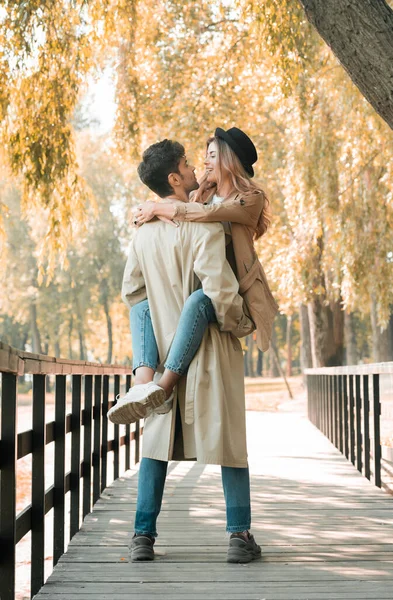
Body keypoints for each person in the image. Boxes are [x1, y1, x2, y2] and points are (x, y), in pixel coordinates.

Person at [118, 138, 261, 563]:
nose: (194, 167)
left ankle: (142, 536)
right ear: (174, 179)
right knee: (229, 439)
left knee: (156, 443)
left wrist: (148, 345)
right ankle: (239, 537)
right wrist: (238, 323)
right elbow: (217, 289)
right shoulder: (202, 227)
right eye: (186, 163)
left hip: (163, 350)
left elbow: (133, 291)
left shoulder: (143, 233)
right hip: (211, 349)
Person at [108, 128, 277, 425]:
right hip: (208, 287)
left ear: (227, 161)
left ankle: (164, 388)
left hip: (233, 293)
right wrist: (148, 212)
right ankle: (141, 384)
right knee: (142, 306)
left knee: (200, 299)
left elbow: (205, 215)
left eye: (211, 156)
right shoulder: (202, 193)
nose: (204, 163)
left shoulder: (251, 198)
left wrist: (159, 207)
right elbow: (183, 207)